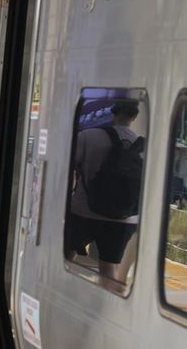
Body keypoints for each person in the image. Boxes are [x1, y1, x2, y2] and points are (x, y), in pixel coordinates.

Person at [65, 101, 144, 286]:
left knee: (66, 255)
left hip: (84, 210)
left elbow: (69, 168)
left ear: (113, 113)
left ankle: (61, 290)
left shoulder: (88, 136)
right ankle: (105, 307)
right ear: (134, 117)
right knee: (109, 268)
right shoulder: (142, 145)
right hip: (124, 219)